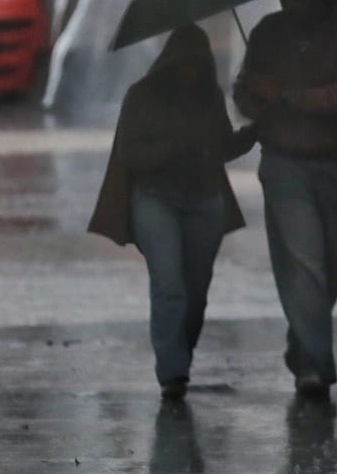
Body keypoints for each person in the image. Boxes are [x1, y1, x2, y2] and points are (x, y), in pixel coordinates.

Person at [90, 26, 258, 399]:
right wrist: (173, 148)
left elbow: (223, 145)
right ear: (169, 63)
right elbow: (130, 154)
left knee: (196, 291)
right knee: (169, 285)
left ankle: (179, 353)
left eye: (197, 65)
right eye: (184, 64)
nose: (191, 72)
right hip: (156, 199)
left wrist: (253, 133)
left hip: (203, 201)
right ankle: (172, 372)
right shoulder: (141, 97)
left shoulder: (209, 97)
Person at [233, 0, 337, 401]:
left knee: (329, 269)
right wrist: (253, 95)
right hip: (285, 163)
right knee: (305, 264)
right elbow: (243, 96)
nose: (285, 1)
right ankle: (315, 369)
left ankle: (303, 343)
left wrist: (290, 95)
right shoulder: (268, 33)